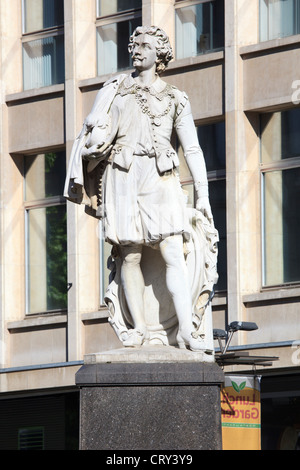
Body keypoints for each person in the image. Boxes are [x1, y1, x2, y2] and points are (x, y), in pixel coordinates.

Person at [64, 26, 215, 351]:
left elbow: (192, 149)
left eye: (145, 45)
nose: (136, 50)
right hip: (124, 175)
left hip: (161, 178)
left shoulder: (176, 97)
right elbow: (93, 130)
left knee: (173, 250)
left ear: (160, 53)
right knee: (128, 254)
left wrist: (202, 193)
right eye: (134, 44)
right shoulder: (115, 91)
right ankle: (141, 330)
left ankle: (186, 330)